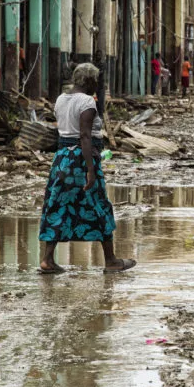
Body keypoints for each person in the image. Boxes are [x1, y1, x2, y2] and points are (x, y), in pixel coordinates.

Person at [38, 63, 135, 275]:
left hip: (62, 159)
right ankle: (110, 260)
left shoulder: (61, 99)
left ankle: (47, 259)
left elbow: (64, 131)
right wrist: (90, 170)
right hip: (81, 161)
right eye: (96, 81)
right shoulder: (87, 102)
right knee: (99, 205)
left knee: (57, 206)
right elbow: (84, 136)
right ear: (89, 81)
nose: (97, 85)